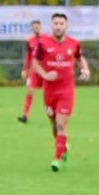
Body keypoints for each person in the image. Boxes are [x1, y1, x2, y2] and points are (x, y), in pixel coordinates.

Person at [32, 13, 91, 172]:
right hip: (49, 92)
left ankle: (57, 158)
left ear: (66, 26)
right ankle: (62, 146)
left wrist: (85, 69)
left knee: (61, 123)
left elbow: (80, 58)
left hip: (66, 91)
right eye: (55, 23)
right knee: (53, 125)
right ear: (51, 25)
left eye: (61, 23)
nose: (58, 26)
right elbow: (35, 63)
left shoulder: (74, 43)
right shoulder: (43, 43)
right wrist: (45, 75)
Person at [17, 20, 42, 124]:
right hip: (33, 71)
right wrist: (25, 69)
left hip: (45, 71)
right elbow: (28, 56)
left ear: (40, 27)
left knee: (50, 94)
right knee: (30, 91)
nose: (35, 28)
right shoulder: (30, 41)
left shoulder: (47, 39)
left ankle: (55, 113)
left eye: (37, 26)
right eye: (34, 27)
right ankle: (25, 116)